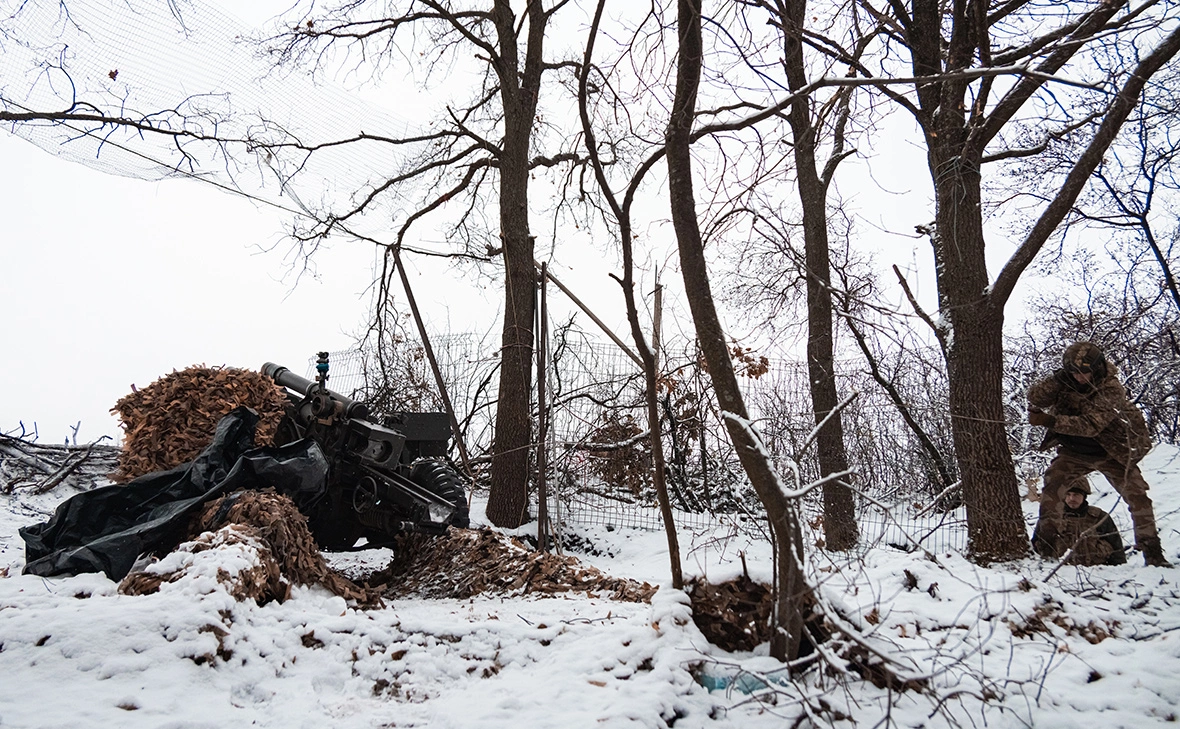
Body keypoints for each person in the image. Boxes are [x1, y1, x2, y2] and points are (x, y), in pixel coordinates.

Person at [1028, 341, 1171, 567]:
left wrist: (1049, 421)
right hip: (1073, 451)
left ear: (1097, 368)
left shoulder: (1111, 388)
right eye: (1073, 373)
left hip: (1111, 452)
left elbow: (1092, 425)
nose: (1079, 377)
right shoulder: (1065, 379)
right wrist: (1057, 381)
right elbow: (1035, 397)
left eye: (1084, 372)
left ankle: (1152, 554)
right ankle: (1046, 550)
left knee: (1138, 497)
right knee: (1052, 490)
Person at [1031, 482, 1126, 565]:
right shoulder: (1051, 518)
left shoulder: (1099, 517)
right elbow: (1036, 546)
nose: (1071, 498)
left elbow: (1117, 550)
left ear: (1084, 496)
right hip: (1060, 573)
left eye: (1076, 494)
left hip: (1098, 573)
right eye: (1068, 494)